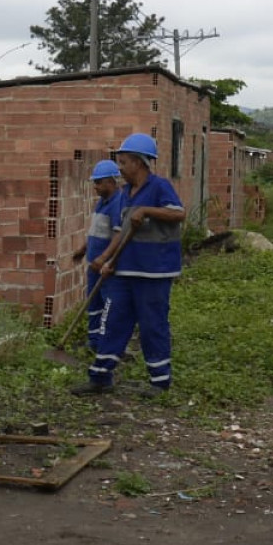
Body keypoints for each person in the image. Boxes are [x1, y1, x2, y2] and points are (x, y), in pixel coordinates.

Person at [76, 134, 185, 396]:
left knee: (152, 325)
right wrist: (106, 258)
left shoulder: (159, 187)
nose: (120, 168)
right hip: (125, 269)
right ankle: (101, 377)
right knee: (113, 321)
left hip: (154, 271)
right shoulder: (124, 194)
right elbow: (119, 232)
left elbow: (178, 213)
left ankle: (160, 381)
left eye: (123, 162)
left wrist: (148, 211)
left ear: (138, 162)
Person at [70, 159, 126, 354]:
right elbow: (96, 232)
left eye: (99, 182)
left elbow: (119, 236)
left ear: (111, 182)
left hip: (106, 268)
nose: (95, 187)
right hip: (93, 265)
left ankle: (106, 344)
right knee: (92, 304)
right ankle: (93, 342)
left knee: (107, 306)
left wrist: (103, 258)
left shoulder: (118, 204)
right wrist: (83, 250)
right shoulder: (101, 204)